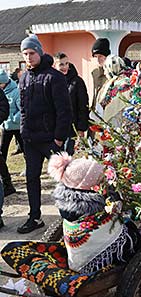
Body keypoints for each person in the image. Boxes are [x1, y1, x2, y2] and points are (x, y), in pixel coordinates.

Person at [18, 34, 73, 234]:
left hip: (50, 139)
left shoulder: (54, 77)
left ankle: (69, 218)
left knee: (62, 179)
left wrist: (59, 138)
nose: (28, 57)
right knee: (32, 178)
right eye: (25, 54)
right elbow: (23, 108)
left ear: (39, 52)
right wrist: (24, 132)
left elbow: (64, 111)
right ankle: (35, 217)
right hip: (31, 140)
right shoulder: (24, 77)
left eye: (32, 53)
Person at [53, 52, 89, 155]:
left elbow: (83, 106)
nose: (64, 67)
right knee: (55, 157)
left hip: (71, 127)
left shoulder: (77, 82)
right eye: (61, 64)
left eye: (66, 63)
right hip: (55, 127)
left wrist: (81, 128)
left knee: (67, 155)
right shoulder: (52, 81)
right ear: (55, 66)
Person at [95, 55, 132, 127]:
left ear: (111, 69)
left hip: (120, 123)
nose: (105, 73)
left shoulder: (123, 83)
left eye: (105, 69)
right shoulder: (112, 83)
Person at [0, 70, 16, 196]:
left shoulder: (13, 91)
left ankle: (7, 184)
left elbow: (4, 109)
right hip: (6, 126)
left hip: (14, 126)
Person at [90, 38, 110, 111]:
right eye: (95, 56)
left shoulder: (113, 72)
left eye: (100, 56)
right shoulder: (95, 72)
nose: (98, 60)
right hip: (96, 112)